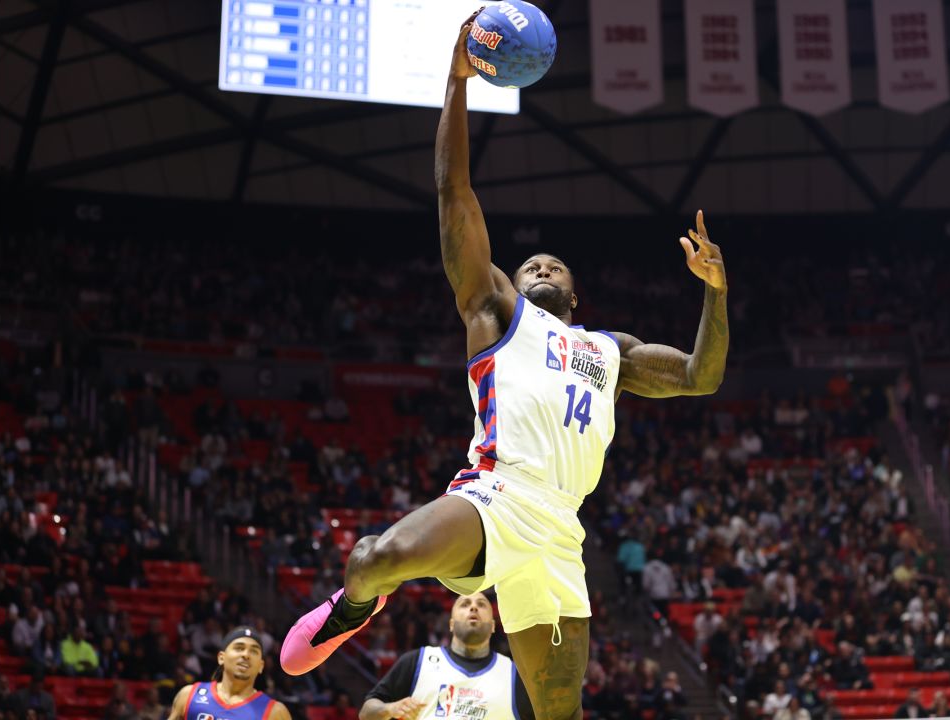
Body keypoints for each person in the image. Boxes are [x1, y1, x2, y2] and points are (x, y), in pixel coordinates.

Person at [279, 11, 730, 720]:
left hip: (560, 532)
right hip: (496, 495)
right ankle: (351, 610)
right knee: (371, 559)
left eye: (554, 264)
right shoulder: (497, 313)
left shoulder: (614, 351)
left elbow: (703, 374)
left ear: (575, 295)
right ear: (513, 285)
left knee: (559, 711)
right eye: (529, 263)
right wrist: (456, 83)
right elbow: (453, 194)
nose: (541, 263)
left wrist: (715, 293)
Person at [359, 592, 534, 720]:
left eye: (481, 604)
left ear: (493, 625)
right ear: (451, 624)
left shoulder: (515, 674)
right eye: (464, 604)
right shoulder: (418, 661)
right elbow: (366, 712)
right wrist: (390, 709)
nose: (473, 607)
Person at [167, 627, 289, 720]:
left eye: (254, 651)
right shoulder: (189, 696)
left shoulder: (275, 712)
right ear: (221, 657)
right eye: (239, 648)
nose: (246, 655)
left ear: (261, 666)